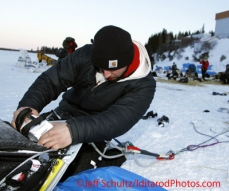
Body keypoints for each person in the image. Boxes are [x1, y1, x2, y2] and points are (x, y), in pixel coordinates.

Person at [10, 25, 156, 173]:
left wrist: (73, 131)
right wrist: (28, 106)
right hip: (62, 114)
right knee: (17, 146)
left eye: (112, 69)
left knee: (65, 171)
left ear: (127, 61)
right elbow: (51, 81)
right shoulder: (86, 54)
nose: (106, 74)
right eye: (101, 67)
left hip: (94, 129)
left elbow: (120, 119)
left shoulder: (144, 84)